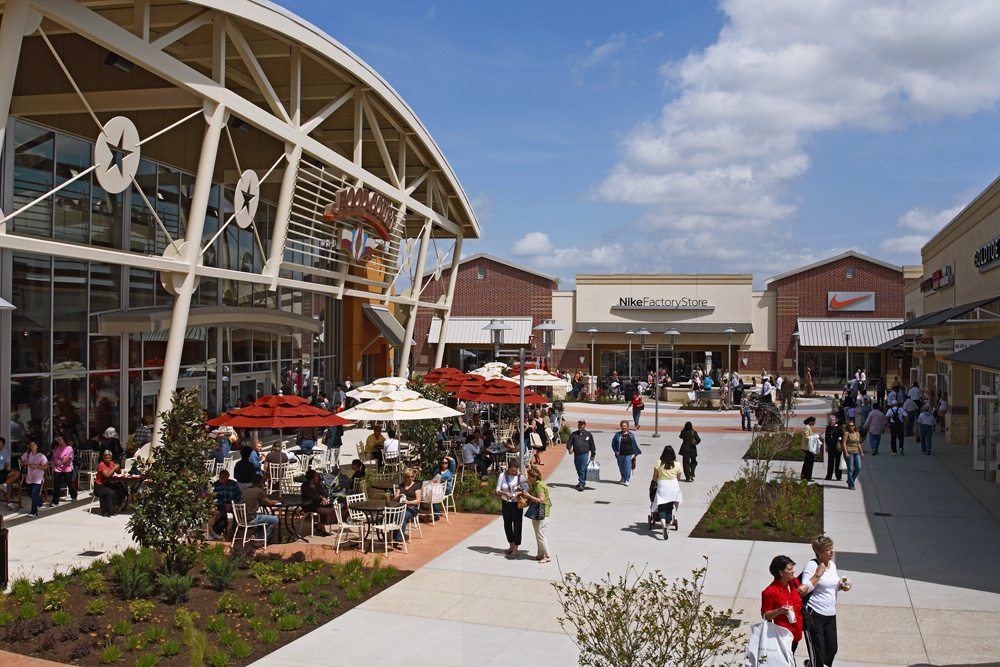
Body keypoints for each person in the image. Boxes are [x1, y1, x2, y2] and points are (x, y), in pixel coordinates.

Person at [801, 535, 852, 667]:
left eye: (832, 548)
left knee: (831, 649)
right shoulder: (812, 565)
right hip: (815, 614)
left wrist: (842, 587)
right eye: (828, 550)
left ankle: (810, 665)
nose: (831, 552)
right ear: (819, 553)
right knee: (818, 653)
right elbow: (804, 589)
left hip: (830, 614)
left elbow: (829, 588)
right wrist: (818, 573)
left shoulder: (833, 566)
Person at [761, 555, 805, 655]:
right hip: (782, 636)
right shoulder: (770, 592)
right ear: (780, 572)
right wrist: (779, 610)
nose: (793, 571)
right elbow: (765, 615)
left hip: (796, 632)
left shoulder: (793, 582)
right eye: (790, 569)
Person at [496, 460, 528, 559]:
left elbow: (526, 489)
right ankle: (511, 545)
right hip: (506, 503)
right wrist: (505, 493)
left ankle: (516, 548)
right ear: (508, 468)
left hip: (516, 504)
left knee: (517, 525)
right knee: (507, 524)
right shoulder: (502, 476)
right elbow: (497, 490)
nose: (514, 473)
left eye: (516, 471)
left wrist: (519, 493)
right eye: (512, 471)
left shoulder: (520, 476)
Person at [651, 445, 682, 540]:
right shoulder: (677, 464)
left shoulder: (659, 463)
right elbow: (678, 478)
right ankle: (667, 526)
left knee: (662, 507)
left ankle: (663, 525)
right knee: (669, 508)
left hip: (662, 486)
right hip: (673, 486)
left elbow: (654, 478)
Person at [522, 465, 551, 563]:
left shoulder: (539, 486)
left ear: (535, 477)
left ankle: (547, 556)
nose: (529, 479)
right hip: (537, 512)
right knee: (538, 534)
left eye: (530, 478)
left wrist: (529, 496)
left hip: (542, 512)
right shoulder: (535, 485)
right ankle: (540, 554)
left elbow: (541, 500)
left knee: (541, 534)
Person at [241, 474, 279, 541]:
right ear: (260, 482)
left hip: (243, 518)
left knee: (263, 516)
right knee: (275, 520)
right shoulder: (258, 491)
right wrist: (278, 500)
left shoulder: (245, 490)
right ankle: (262, 540)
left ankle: (256, 534)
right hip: (252, 518)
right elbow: (269, 503)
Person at [391, 468, 422, 548]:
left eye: (412, 476)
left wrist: (409, 502)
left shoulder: (416, 486)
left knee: (402, 516)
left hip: (411, 508)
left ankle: (399, 540)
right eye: (408, 477)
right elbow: (394, 499)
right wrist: (399, 496)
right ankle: (392, 536)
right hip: (400, 506)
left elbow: (418, 500)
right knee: (391, 515)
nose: (410, 478)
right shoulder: (401, 486)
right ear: (404, 477)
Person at [301, 469, 336, 536]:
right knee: (324, 511)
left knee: (332, 509)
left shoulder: (318, 485)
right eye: (316, 476)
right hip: (309, 504)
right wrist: (320, 497)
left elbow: (324, 494)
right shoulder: (304, 486)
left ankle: (320, 524)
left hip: (318, 503)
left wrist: (324, 499)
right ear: (312, 478)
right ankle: (322, 527)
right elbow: (309, 494)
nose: (318, 477)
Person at [210, 469, 242, 539]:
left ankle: (233, 532)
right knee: (222, 514)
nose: (221, 479)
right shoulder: (216, 485)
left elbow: (239, 496)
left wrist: (231, 504)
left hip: (231, 504)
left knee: (237, 514)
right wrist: (224, 505)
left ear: (227, 477)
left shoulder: (233, 484)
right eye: (220, 477)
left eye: (223, 477)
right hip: (221, 505)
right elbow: (214, 498)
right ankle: (219, 531)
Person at [566, 420, 596, 492]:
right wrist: (569, 448)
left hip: (584, 455)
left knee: (582, 469)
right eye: (579, 424)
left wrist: (593, 454)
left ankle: (582, 484)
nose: (580, 426)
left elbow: (592, 445)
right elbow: (569, 442)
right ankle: (581, 481)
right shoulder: (574, 434)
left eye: (582, 425)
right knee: (578, 469)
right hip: (576, 455)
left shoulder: (588, 435)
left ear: (585, 426)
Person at [20, 441, 48, 517]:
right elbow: (22, 461)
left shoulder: (41, 456)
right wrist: (24, 463)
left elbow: (45, 466)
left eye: (33, 445)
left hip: (38, 476)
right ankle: (39, 501)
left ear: (37, 446)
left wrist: (35, 466)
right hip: (29, 476)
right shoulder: (27, 454)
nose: (32, 446)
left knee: (34, 493)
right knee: (29, 492)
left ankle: (34, 511)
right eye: (31, 445)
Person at [50, 434, 77, 506]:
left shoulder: (69, 448)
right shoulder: (57, 447)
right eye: (58, 440)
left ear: (64, 440)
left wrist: (61, 463)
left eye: (60, 440)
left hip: (66, 468)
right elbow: (54, 456)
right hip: (57, 468)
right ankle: (55, 501)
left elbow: (68, 458)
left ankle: (73, 495)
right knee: (56, 484)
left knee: (69, 482)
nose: (59, 441)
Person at [93, 449, 122, 517]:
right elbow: (107, 475)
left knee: (119, 489)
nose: (108, 460)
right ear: (103, 458)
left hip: (107, 484)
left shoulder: (111, 463)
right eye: (106, 458)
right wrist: (114, 468)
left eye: (109, 458)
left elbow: (119, 472)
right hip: (100, 485)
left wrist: (118, 467)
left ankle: (116, 506)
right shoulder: (101, 464)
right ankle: (108, 511)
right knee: (110, 492)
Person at [611, 420, 640, 486]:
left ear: (627, 427)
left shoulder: (630, 434)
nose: (623, 427)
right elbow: (613, 444)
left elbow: (634, 443)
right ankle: (623, 477)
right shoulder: (617, 435)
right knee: (621, 467)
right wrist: (616, 451)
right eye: (622, 426)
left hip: (628, 453)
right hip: (620, 454)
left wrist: (636, 452)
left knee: (627, 466)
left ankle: (627, 479)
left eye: (625, 426)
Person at [0, 437, 22, 510]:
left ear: (3, 445)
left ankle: (5, 484)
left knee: (16, 473)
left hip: (2, 471)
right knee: (5, 487)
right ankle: (9, 504)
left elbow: (5, 464)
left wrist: (6, 475)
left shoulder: (4, 451)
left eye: (0, 444)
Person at [843, 422, 864, 490]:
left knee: (858, 467)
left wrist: (862, 452)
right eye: (849, 426)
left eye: (852, 426)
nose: (851, 427)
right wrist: (846, 453)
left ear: (855, 426)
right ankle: (851, 485)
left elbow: (858, 443)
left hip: (856, 452)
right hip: (849, 452)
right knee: (850, 468)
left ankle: (850, 480)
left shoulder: (857, 433)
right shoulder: (847, 434)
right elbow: (844, 443)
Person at [824, 415, 844, 481]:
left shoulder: (839, 428)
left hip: (837, 447)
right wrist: (826, 445)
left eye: (833, 420)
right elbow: (826, 437)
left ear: (835, 421)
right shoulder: (828, 428)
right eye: (831, 420)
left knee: (837, 462)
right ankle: (829, 476)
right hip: (830, 447)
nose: (832, 421)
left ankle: (838, 476)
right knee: (830, 462)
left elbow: (842, 436)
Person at [800, 417, 819, 481]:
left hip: (809, 447)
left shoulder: (808, 427)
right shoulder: (807, 427)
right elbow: (807, 437)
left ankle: (805, 475)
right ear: (811, 421)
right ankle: (807, 476)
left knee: (807, 462)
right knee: (809, 462)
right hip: (807, 448)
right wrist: (814, 437)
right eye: (813, 422)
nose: (814, 423)